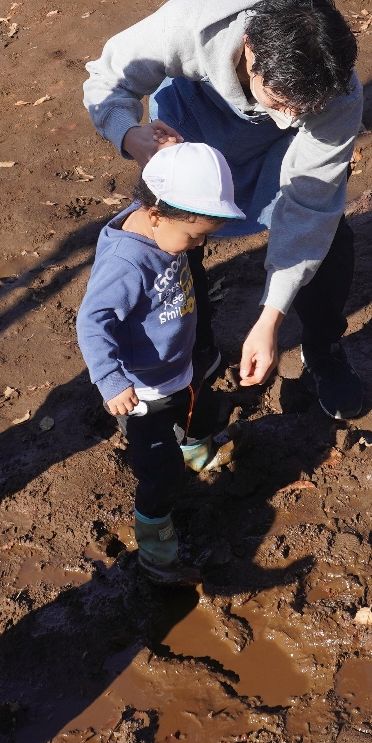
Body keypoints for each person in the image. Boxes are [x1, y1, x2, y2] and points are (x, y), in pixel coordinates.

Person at [83, 0, 370, 422]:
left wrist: (270, 317)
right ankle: (196, 347)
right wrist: (128, 133)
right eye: (277, 100)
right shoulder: (192, 23)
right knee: (179, 244)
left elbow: (311, 203)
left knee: (330, 237)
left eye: (302, 109)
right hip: (191, 127)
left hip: (282, 157)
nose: (285, 119)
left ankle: (324, 349)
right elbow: (108, 77)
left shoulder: (336, 91)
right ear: (250, 51)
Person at [76, 144, 243, 585]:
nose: (200, 245)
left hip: (180, 367)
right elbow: (92, 321)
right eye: (194, 237)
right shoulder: (126, 262)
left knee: (200, 413)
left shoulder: (164, 217)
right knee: (160, 476)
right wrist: (111, 381)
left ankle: (197, 454)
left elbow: (175, 180)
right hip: (143, 391)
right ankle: (157, 555)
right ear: (154, 214)